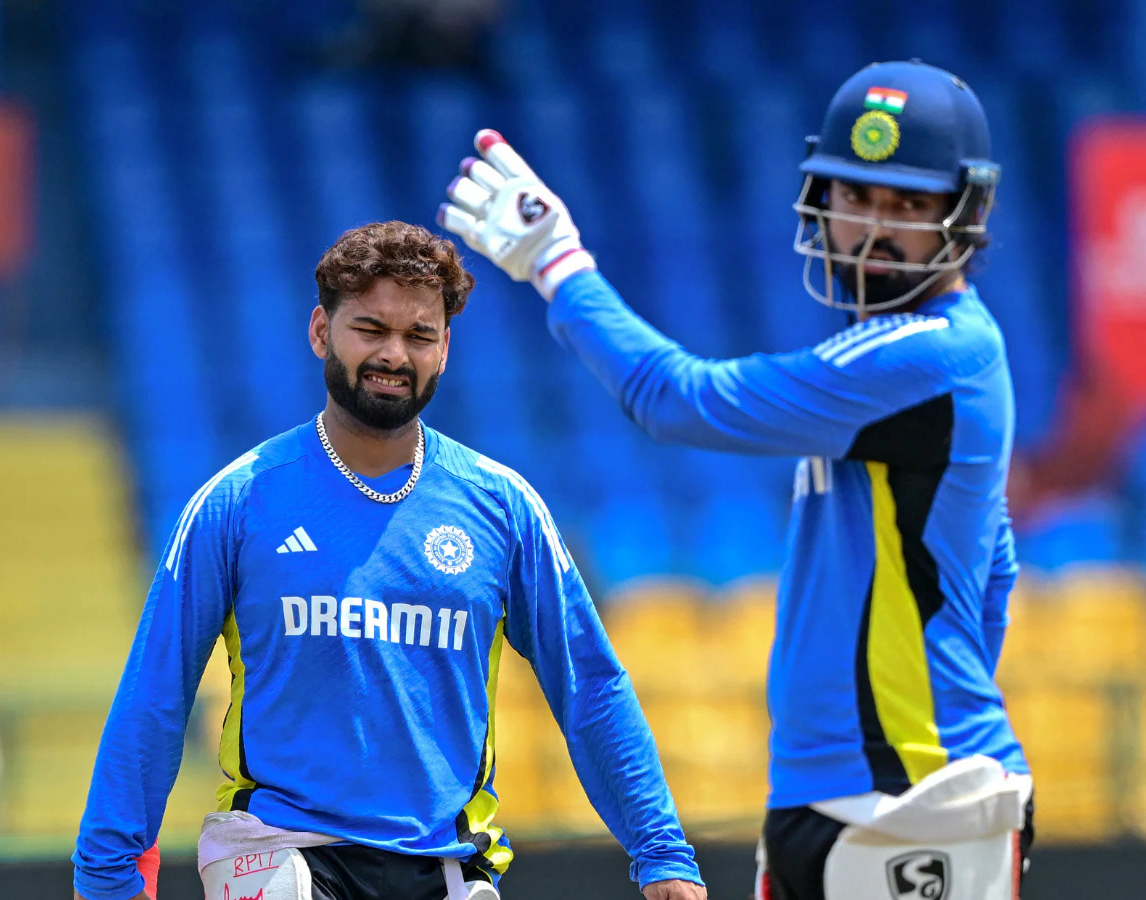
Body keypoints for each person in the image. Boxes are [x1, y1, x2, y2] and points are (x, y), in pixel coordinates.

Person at [438, 60, 1034, 900]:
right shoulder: (912, 361)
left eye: (907, 204)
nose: (871, 227)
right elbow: (994, 572)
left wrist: (556, 261)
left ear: (966, 214)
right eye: (855, 196)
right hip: (840, 791)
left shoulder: (930, 352)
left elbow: (679, 400)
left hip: (911, 794)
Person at [72, 221, 707, 900]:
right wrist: (107, 874)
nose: (394, 355)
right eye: (370, 329)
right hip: (277, 848)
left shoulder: (503, 507)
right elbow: (156, 696)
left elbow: (591, 687)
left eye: (419, 335)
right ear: (321, 332)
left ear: (445, 349)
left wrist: (663, 853)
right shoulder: (237, 501)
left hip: (446, 861)